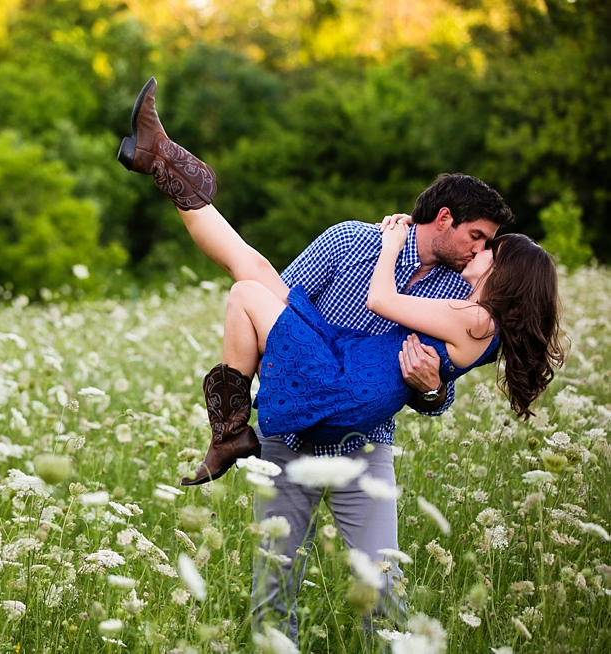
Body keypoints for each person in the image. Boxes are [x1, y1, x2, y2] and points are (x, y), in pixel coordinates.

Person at [118, 77, 565, 639]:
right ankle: (163, 162)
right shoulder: (348, 242)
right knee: (272, 593)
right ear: (445, 218)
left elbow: (437, 387)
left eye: (489, 247)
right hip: (295, 429)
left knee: (385, 593)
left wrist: (430, 389)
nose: (479, 250)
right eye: (477, 236)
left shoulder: (459, 299)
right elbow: (284, 311)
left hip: (363, 443)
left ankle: (228, 426)